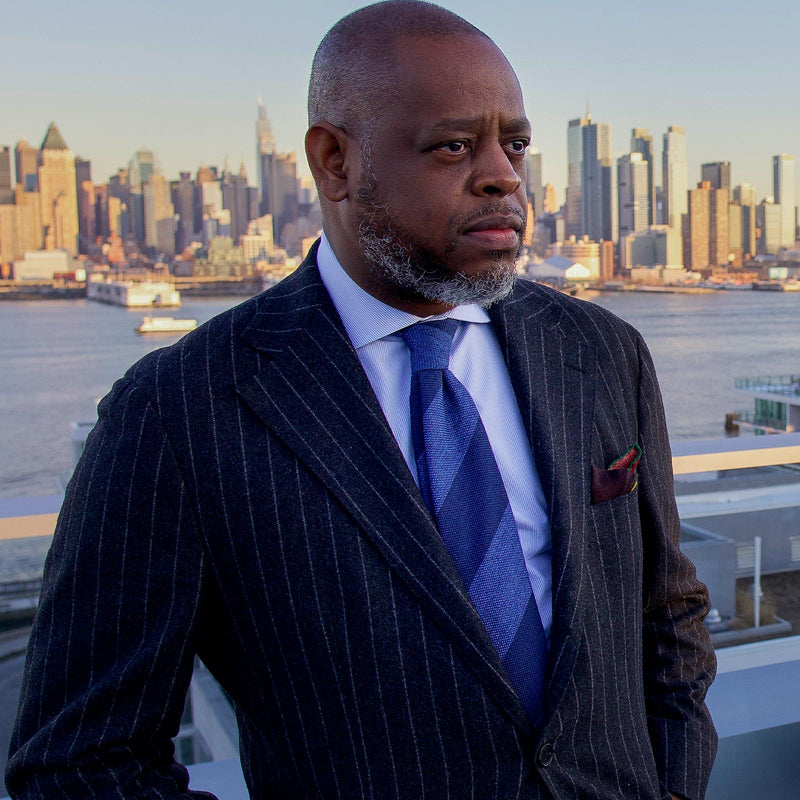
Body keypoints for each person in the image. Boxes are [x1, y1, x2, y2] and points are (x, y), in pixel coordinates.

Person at [7, 2, 717, 798]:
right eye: (454, 145)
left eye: (513, 144)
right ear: (334, 160)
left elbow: (668, 622)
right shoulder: (179, 412)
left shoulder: (599, 352)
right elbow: (80, 763)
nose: (504, 177)